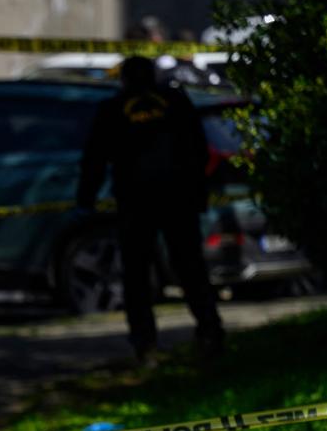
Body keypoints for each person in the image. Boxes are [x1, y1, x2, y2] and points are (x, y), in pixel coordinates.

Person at [77, 54, 224, 362]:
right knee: (190, 267)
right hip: (177, 199)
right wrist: (199, 194)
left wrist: (86, 200)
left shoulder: (113, 109)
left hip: (136, 202)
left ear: (125, 79)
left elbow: (94, 158)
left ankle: (145, 342)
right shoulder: (175, 103)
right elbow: (197, 150)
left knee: (137, 274)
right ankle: (209, 330)